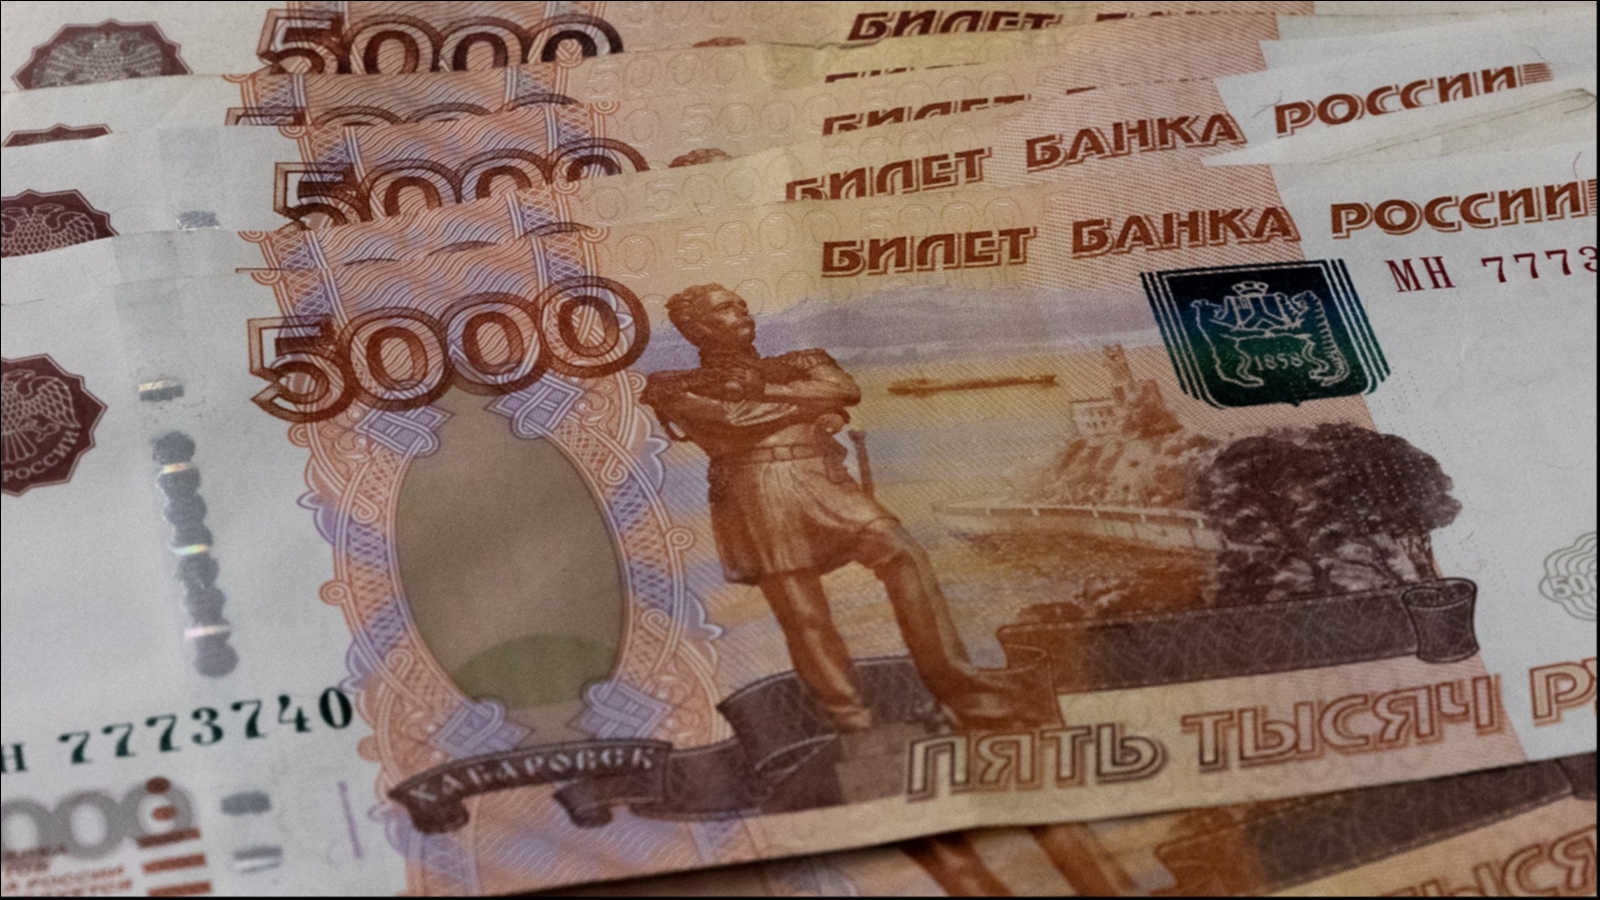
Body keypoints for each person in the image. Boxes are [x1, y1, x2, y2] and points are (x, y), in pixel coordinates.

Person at [640, 284, 1044, 732]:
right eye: (725, 309)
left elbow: (844, 390)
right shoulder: (672, 386)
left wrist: (768, 391)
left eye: (741, 304)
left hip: (824, 478)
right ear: (697, 329)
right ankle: (851, 720)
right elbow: (734, 421)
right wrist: (808, 404)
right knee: (802, 611)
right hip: (757, 491)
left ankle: (961, 689)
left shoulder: (799, 360)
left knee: (902, 551)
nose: (742, 311)